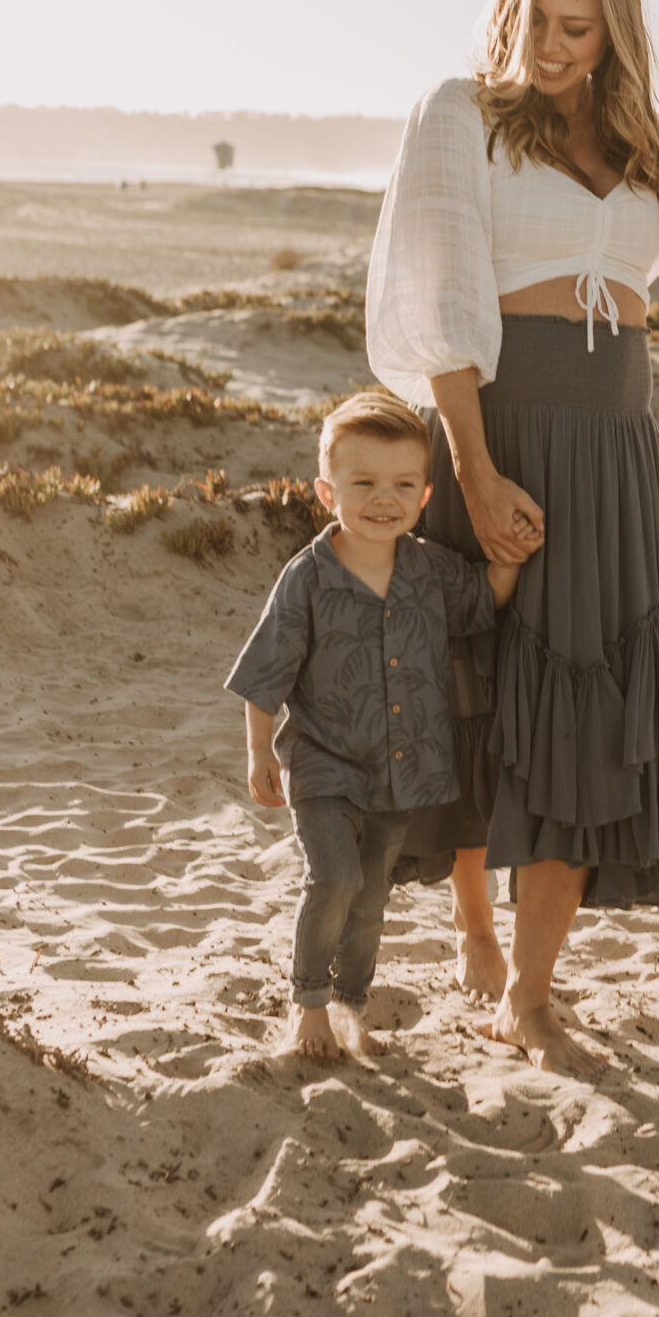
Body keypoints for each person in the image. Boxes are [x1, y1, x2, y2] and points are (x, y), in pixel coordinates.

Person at [365, 0, 659, 1073]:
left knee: (583, 714)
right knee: (478, 699)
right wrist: (473, 469)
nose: (554, 44)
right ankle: (474, 924)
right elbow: (437, 306)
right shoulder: (460, 117)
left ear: (616, 30)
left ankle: (530, 988)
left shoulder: (651, 158)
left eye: (580, 26)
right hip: (500, 429)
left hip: (618, 452)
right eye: (539, 18)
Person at [227, 391, 518, 1061]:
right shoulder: (306, 579)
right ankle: (306, 1009)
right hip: (326, 765)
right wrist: (258, 752)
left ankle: (351, 1008)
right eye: (363, 484)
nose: (382, 499)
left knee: (368, 899)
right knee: (333, 881)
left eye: (401, 485)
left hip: (399, 774)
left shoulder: (430, 570)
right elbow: (266, 666)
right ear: (327, 493)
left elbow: (486, 598)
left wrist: (512, 552)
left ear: (424, 495)